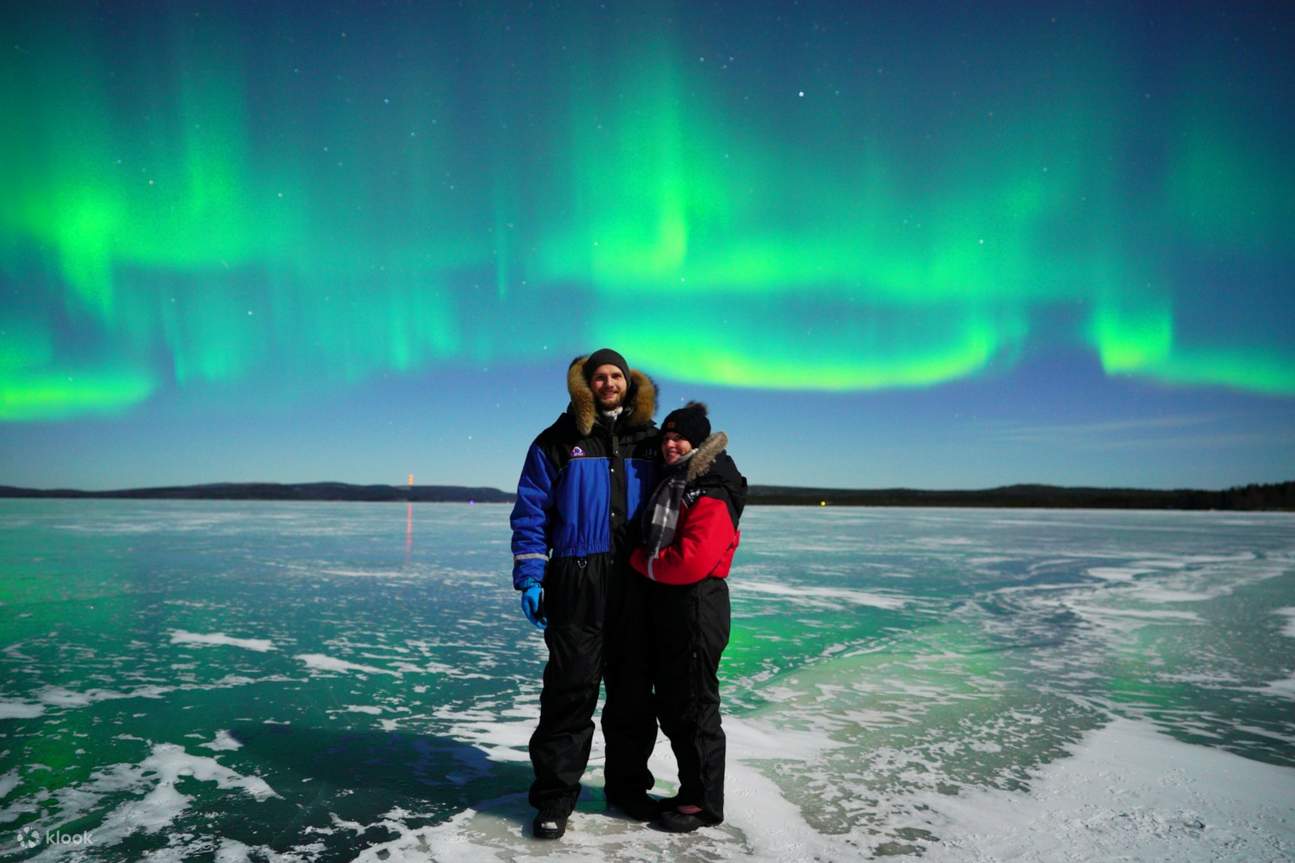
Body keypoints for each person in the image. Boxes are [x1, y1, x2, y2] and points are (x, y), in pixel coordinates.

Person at [509, 348, 663, 840]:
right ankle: (554, 799)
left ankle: (628, 789)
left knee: (633, 696)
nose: (609, 383)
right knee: (569, 693)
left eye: (616, 375)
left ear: (629, 383)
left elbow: (689, 495)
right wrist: (532, 574)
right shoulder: (557, 440)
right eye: (600, 377)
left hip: (637, 582)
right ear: (586, 384)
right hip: (577, 578)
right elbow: (531, 509)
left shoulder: (653, 441)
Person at [629, 401, 746, 833]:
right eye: (667, 438)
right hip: (678, 607)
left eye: (680, 438)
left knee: (695, 709)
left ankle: (703, 803)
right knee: (679, 707)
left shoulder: (712, 485)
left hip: (698, 604)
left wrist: (641, 562)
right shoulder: (680, 482)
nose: (671, 444)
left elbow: (692, 561)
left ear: (699, 442)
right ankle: (692, 791)